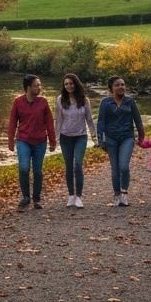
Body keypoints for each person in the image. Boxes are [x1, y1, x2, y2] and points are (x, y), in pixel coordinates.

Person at [8, 74, 57, 211]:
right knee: (24, 168)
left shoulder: (43, 102)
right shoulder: (18, 102)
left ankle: (36, 199)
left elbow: (49, 122)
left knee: (38, 171)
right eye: (36, 85)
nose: (39, 88)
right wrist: (10, 141)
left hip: (40, 141)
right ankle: (25, 198)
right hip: (23, 140)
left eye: (40, 85)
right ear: (28, 87)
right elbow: (12, 123)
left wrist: (52, 140)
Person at [97, 75, 144, 207]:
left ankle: (124, 193)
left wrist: (141, 137)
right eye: (117, 85)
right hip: (111, 139)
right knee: (115, 168)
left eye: (122, 84)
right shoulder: (105, 103)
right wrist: (101, 140)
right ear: (111, 88)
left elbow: (138, 120)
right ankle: (117, 195)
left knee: (123, 165)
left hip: (127, 138)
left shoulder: (130, 102)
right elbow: (101, 122)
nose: (121, 87)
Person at [55, 73, 96, 209]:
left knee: (77, 163)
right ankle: (71, 195)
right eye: (66, 84)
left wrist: (95, 137)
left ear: (76, 84)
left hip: (80, 136)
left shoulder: (84, 100)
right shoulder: (60, 100)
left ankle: (78, 196)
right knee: (68, 166)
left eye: (71, 83)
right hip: (65, 137)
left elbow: (89, 119)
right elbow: (58, 120)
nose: (69, 86)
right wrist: (56, 138)